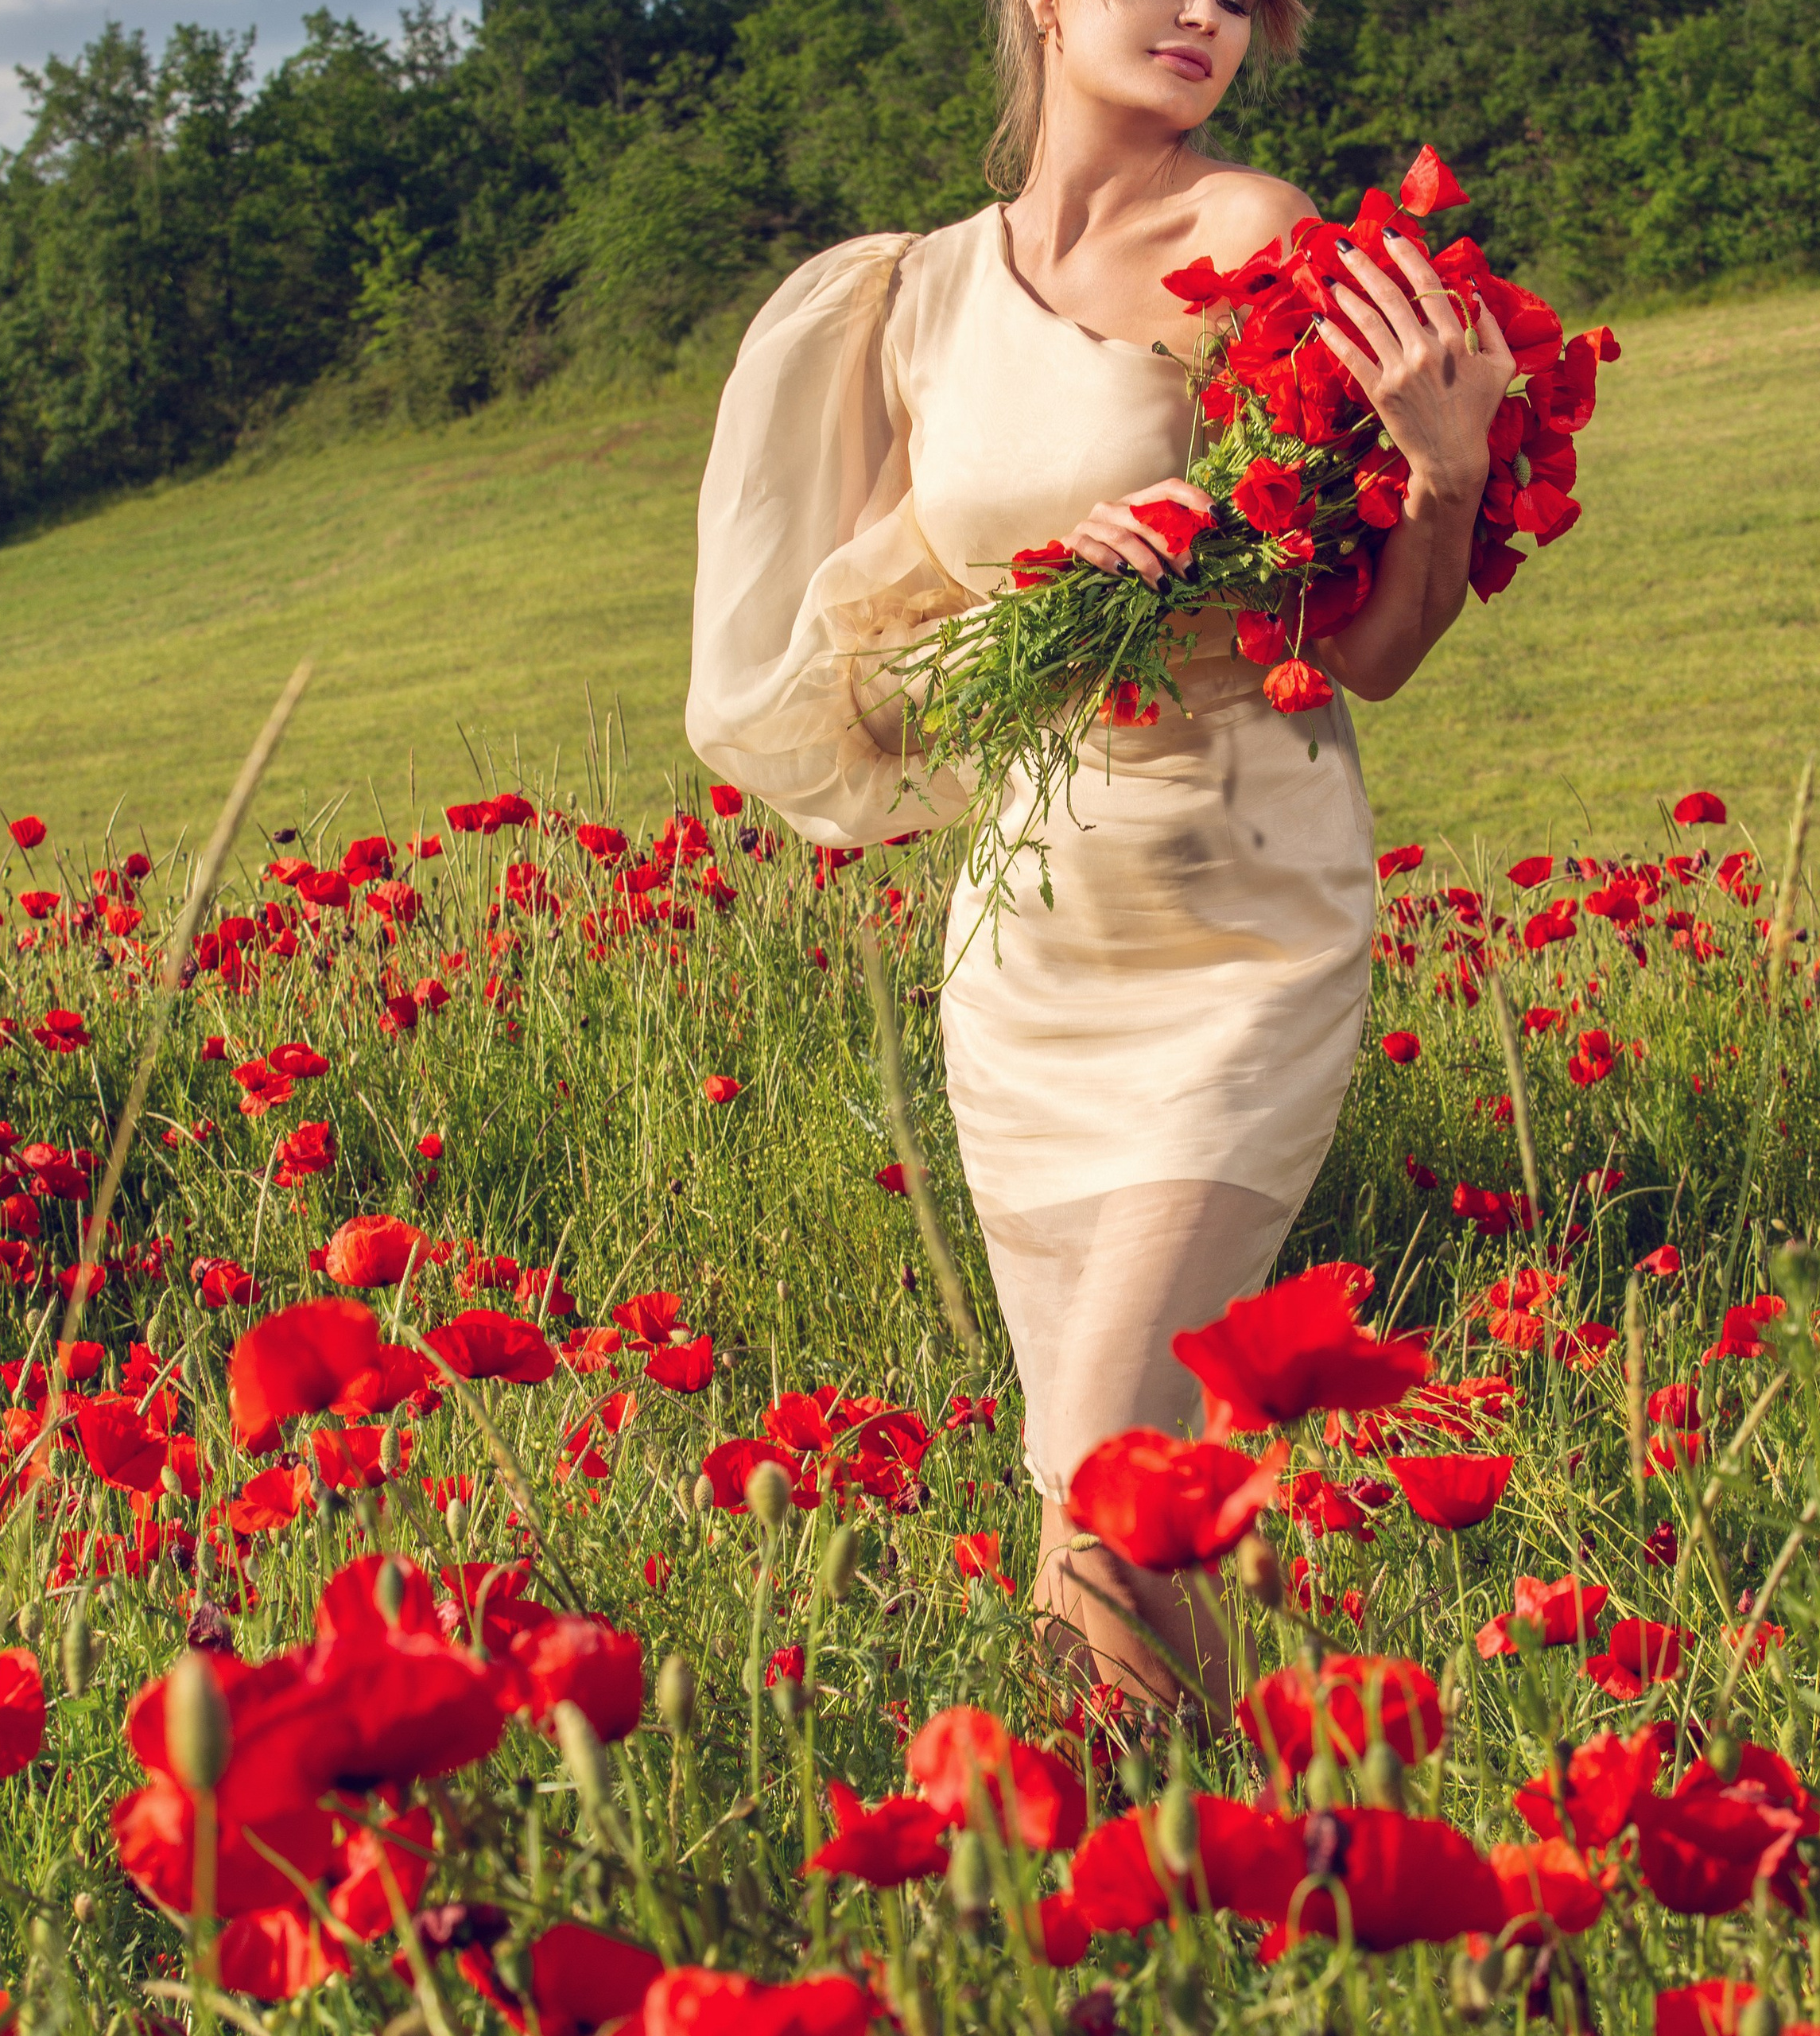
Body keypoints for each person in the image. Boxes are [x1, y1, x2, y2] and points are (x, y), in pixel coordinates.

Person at [687, 0, 1514, 1710]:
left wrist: (1443, 480)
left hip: (1237, 916)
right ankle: (1213, 1850)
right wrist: (1041, 622)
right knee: (1105, 1497)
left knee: (1107, 1464)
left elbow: (1360, 650)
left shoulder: (1251, 236)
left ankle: (1123, 1878)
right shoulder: (910, 301)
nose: (1209, 15)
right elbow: (883, 684)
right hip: (1031, 951)